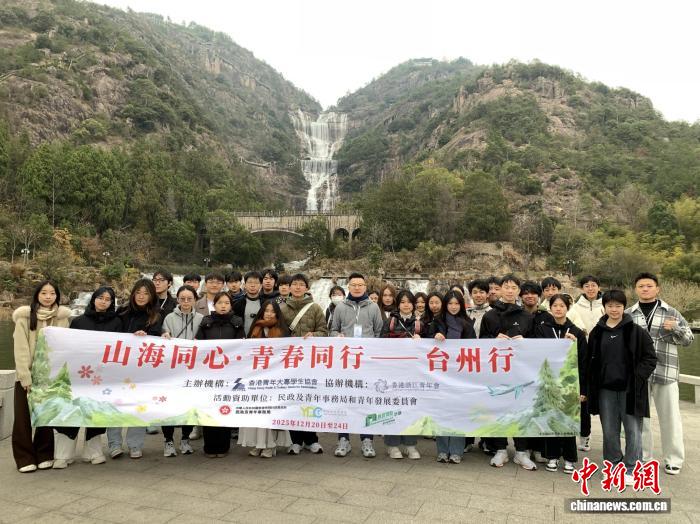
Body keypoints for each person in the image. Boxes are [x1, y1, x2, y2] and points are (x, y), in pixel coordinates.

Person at [582, 290, 657, 482]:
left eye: (618, 306)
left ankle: (632, 467)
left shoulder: (636, 331)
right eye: (610, 306)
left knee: (633, 430)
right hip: (605, 390)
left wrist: (637, 377)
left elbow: (650, 358)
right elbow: (589, 362)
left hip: (630, 390)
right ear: (604, 308)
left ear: (624, 307)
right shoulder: (597, 332)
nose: (614, 309)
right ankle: (613, 464)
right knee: (609, 431)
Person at [627, 272, 694, 475]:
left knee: (670, 418)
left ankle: (673, 459)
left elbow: (689, 340)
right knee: (641, 419)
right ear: (635, 289)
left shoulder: (671, 312)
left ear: (657, 289)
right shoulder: (629, 314)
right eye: (641, 286)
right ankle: (643, 457)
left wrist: (676, 328)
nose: (645, 289)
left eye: (649, 285)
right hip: (638, 374)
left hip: (666, 373)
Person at [53, 286, 122, 469]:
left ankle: (93, 452)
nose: (103, 302)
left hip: (103, 375)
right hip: (78, 374)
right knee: (72, 411)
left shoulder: (117, 322)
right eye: (100, 298)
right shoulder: (78, 321)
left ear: (111, 303)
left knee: (96, 412)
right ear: (93, 299)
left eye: (108, 299)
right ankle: (63, 454)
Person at [12, 280, 71, 473]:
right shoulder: (24, 317)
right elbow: (20, 349)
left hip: (49, 377)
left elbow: (64, 347)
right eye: (44, 293)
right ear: (37, 295)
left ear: (57, 296)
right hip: (27, 376)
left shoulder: (62, 318)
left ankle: (44, 454)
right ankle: (24, 458)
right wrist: (25, 376)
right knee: (23, 418)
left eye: (52, 293)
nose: (48, 297)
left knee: (46, 415)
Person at [480, 274, 538, 470]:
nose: (510, 290)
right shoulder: (490, 315)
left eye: (514, 287)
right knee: (498, 409)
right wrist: (493, 340)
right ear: (499, 289)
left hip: (520, 372)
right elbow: (480, 342)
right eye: (506, 287)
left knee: (521, 409)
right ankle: (500, 449)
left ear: (518, 291)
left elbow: (537, 344)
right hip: (496, 371)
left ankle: (521, 452)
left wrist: (525, 342)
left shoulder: (527, 316)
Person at [330, 272, 384, 458]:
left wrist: (372, 351)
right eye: (354, 284)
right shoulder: (340, 307)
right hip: (345, 362)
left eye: (360, 284)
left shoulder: (374, 307)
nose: (357, 287)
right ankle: (343, 439)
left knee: (366, 401)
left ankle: (367, 439)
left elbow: (379, 332)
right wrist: (337, 336)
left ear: (365, 287)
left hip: (366, 363)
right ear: (349, 286)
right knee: (344, 400)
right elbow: (333, 330)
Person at [107, 279, 163, 459]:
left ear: (152, 296)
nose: (141, 296)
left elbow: (157, 340)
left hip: (142, 370)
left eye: (146, 293)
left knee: (139, 405)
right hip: (119, 366)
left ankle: (135, 445)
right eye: (138, 292)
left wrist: (146, 337)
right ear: (133, 294)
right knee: (115, 405)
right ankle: (114, 444)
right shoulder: (121, 312)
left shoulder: (156, 316)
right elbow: (112, 335)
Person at [533, 294, 587, 474]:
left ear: (568, 308)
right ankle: (552, 456)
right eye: (555, 305)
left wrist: (583, 389)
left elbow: (584, 361)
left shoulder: (577, 331)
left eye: (562, 306)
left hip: (570, 383)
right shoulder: (542, 329)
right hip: (549, 382)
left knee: (568, 419)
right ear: (550, 308)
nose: (558, 309)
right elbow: (536, 352)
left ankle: (570, 458)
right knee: (551, 419)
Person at [279, 273, 328, 454]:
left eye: (301, 284)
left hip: (309, 362)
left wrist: (314, 335)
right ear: (289, 287)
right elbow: (277, 333)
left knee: (309, 398)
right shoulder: (282, 309)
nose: (298, 287)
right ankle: (295, 440)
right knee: (292, 398)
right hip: (289, 361)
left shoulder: (315, 308)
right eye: (295, 284)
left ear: (307, 288)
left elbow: (324, 331)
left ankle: (311, 439)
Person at [238, 300, 292, 457]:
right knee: (255, 410)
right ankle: (258, 443)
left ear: (277, 313)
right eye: (266, 310)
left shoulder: (283, 330)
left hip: (274, 377)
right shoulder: (255, 328)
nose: (269, 314)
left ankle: (270, 445)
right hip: (255, 376)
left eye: (272, 311)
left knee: (270, 411)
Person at [195, 292, 245, 457]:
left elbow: (241, 348)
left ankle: (223, 447)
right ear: (214, 305)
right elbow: (198, 346)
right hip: (209, 374)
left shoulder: (237, 323)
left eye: (227, 303)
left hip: (228, 374)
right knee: (209, 409)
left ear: (231, 305)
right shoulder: (206, 322)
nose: (223, 306)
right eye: (220, 303)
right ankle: (210, 447)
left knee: (224, 408)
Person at [433, 290, 477, 463]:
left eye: (456, 303)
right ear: (445, 305)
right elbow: (426, 344)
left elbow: (473, 348)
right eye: (450, 303)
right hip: (441, 373)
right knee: (442, 411)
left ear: (462, 305)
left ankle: (457, 451)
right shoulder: (438, 321)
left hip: (460, 373)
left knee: (459, 412)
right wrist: (434, 337)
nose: (453, 307)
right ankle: (442, 450)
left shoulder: (467, 323)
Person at [160, 285, 203, 457]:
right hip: (172, 370)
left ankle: (185, 439)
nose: (186, 302)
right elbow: (163, 338)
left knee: (189, 406)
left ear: (195, 300)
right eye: (182, 299)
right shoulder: (169, 318)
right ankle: (168, 441)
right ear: (177, 300)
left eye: (189, 299)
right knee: (169, 406)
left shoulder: (201, 319)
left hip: (193, 370)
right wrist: (164, 336)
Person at [381, 289, 424, 460]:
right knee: (392, 407)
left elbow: (430, 348)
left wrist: (422, 341)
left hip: (413, 372)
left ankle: (410, 444)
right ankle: (392, 445)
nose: (406, 305)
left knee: (411, 407)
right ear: (398, 304)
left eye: (409, 302)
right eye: (403, 302)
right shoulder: (390, 321)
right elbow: (381, 342)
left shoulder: (420, 323)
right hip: (393, 371)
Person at [233, 271, 265, 336]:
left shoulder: (265, 304)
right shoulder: (237, 304)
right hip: (242, 339)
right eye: (250, 282)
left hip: (261, 339)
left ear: (261, 285)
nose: (252, 285)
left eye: (256, 283)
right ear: (244, 285)